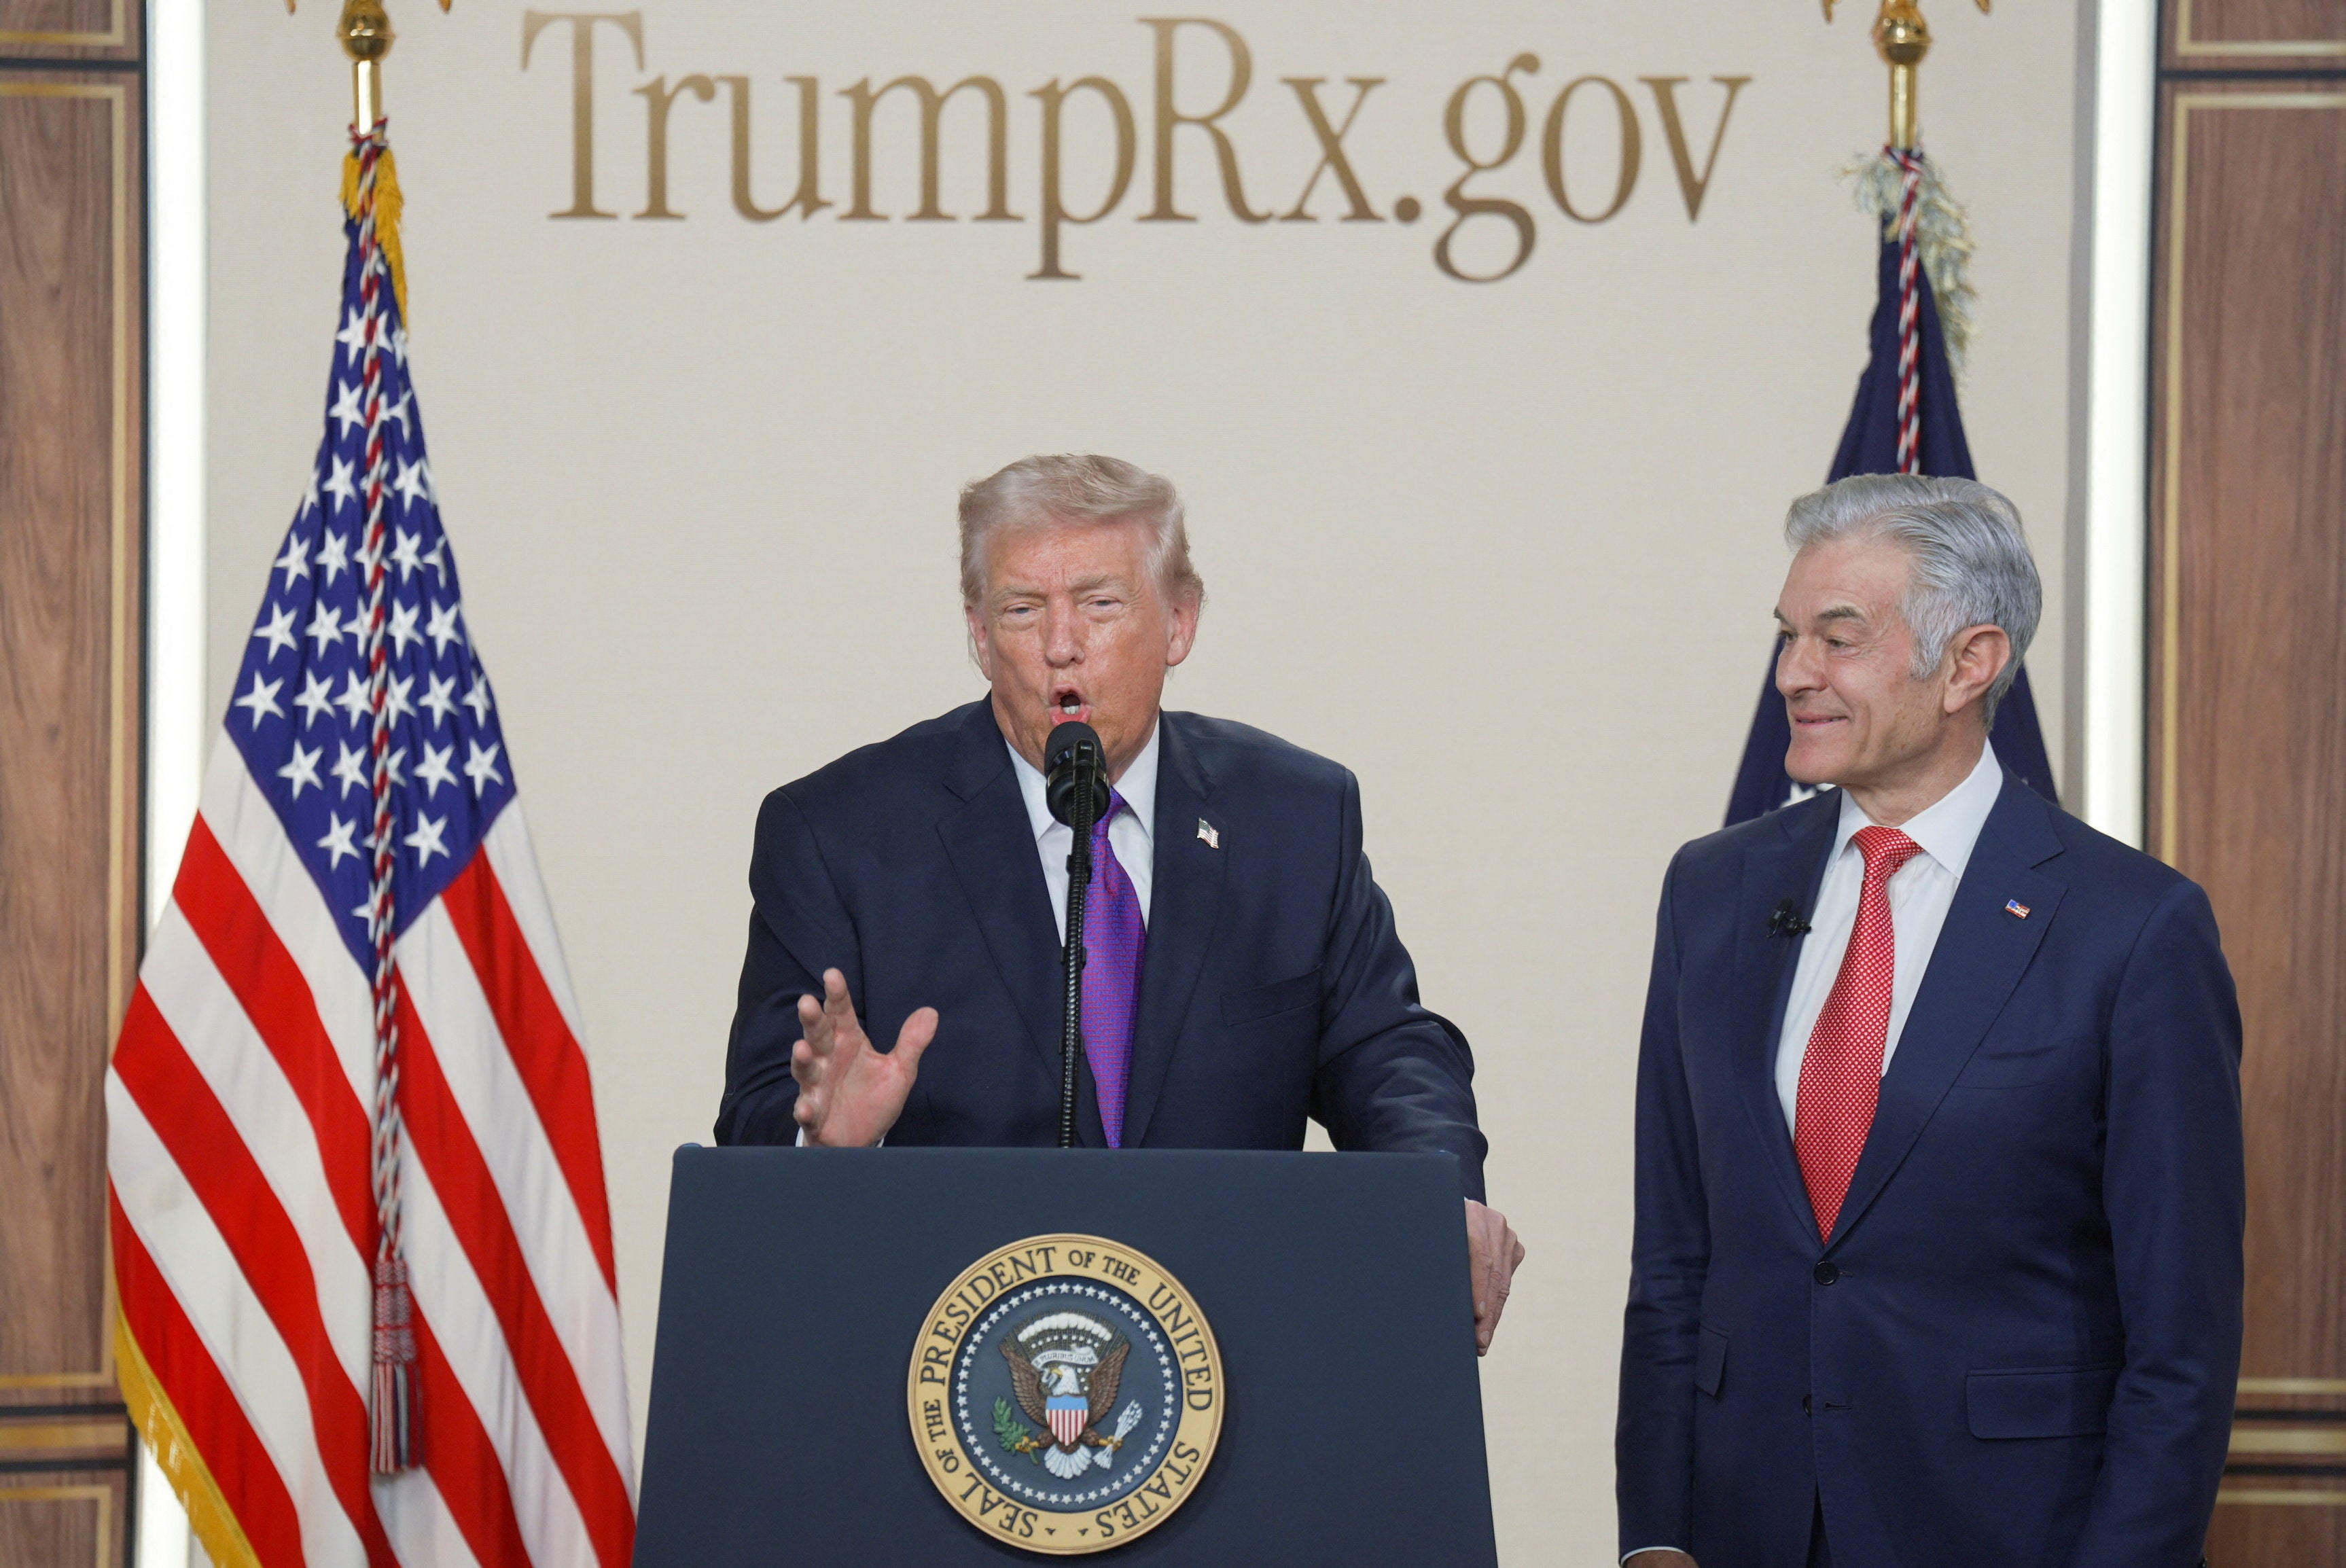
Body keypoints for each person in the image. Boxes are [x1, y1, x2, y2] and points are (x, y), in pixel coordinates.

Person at [718, 454, 1524, 1351]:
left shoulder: (1292, 816)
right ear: (980, 636)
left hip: (1232, 1350)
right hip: (937, 1363)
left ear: (1177, 622)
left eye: (1099, 605)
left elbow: (1385, 1048)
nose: (1060, 643)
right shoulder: (839, 835)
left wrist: (1436, 1193)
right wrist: (827, 1154)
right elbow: (758, 1118)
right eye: (1022, 609)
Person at [1616, 475, 2243, 1566]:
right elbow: (1674, 1258)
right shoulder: (1710, 891)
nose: (1791, 675)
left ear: (1969, 663)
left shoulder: (2133, 928)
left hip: (2003, 1531)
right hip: (1742, 1526)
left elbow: (2179, 1342)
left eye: (1837, 639)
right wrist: (1655, 1536)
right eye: (1788, 636)